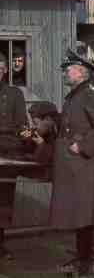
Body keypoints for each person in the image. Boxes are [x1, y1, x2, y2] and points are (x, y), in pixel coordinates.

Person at [53, 49, 94, 276]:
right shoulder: (75, 96)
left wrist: (83, 146)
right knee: (79, 212)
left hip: (89, 163)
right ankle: (82, 258)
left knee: (92, 213)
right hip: (76, 166)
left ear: (81, 72)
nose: (65, 72)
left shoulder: (90, 94)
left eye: (68, 68)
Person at [0, 52, 27, 260]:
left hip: (8, 150)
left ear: (5, 71)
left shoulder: (15, 93)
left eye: (1, 68)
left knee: (4, 199)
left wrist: (26, 137)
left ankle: (1, 245)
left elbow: (21, 124)